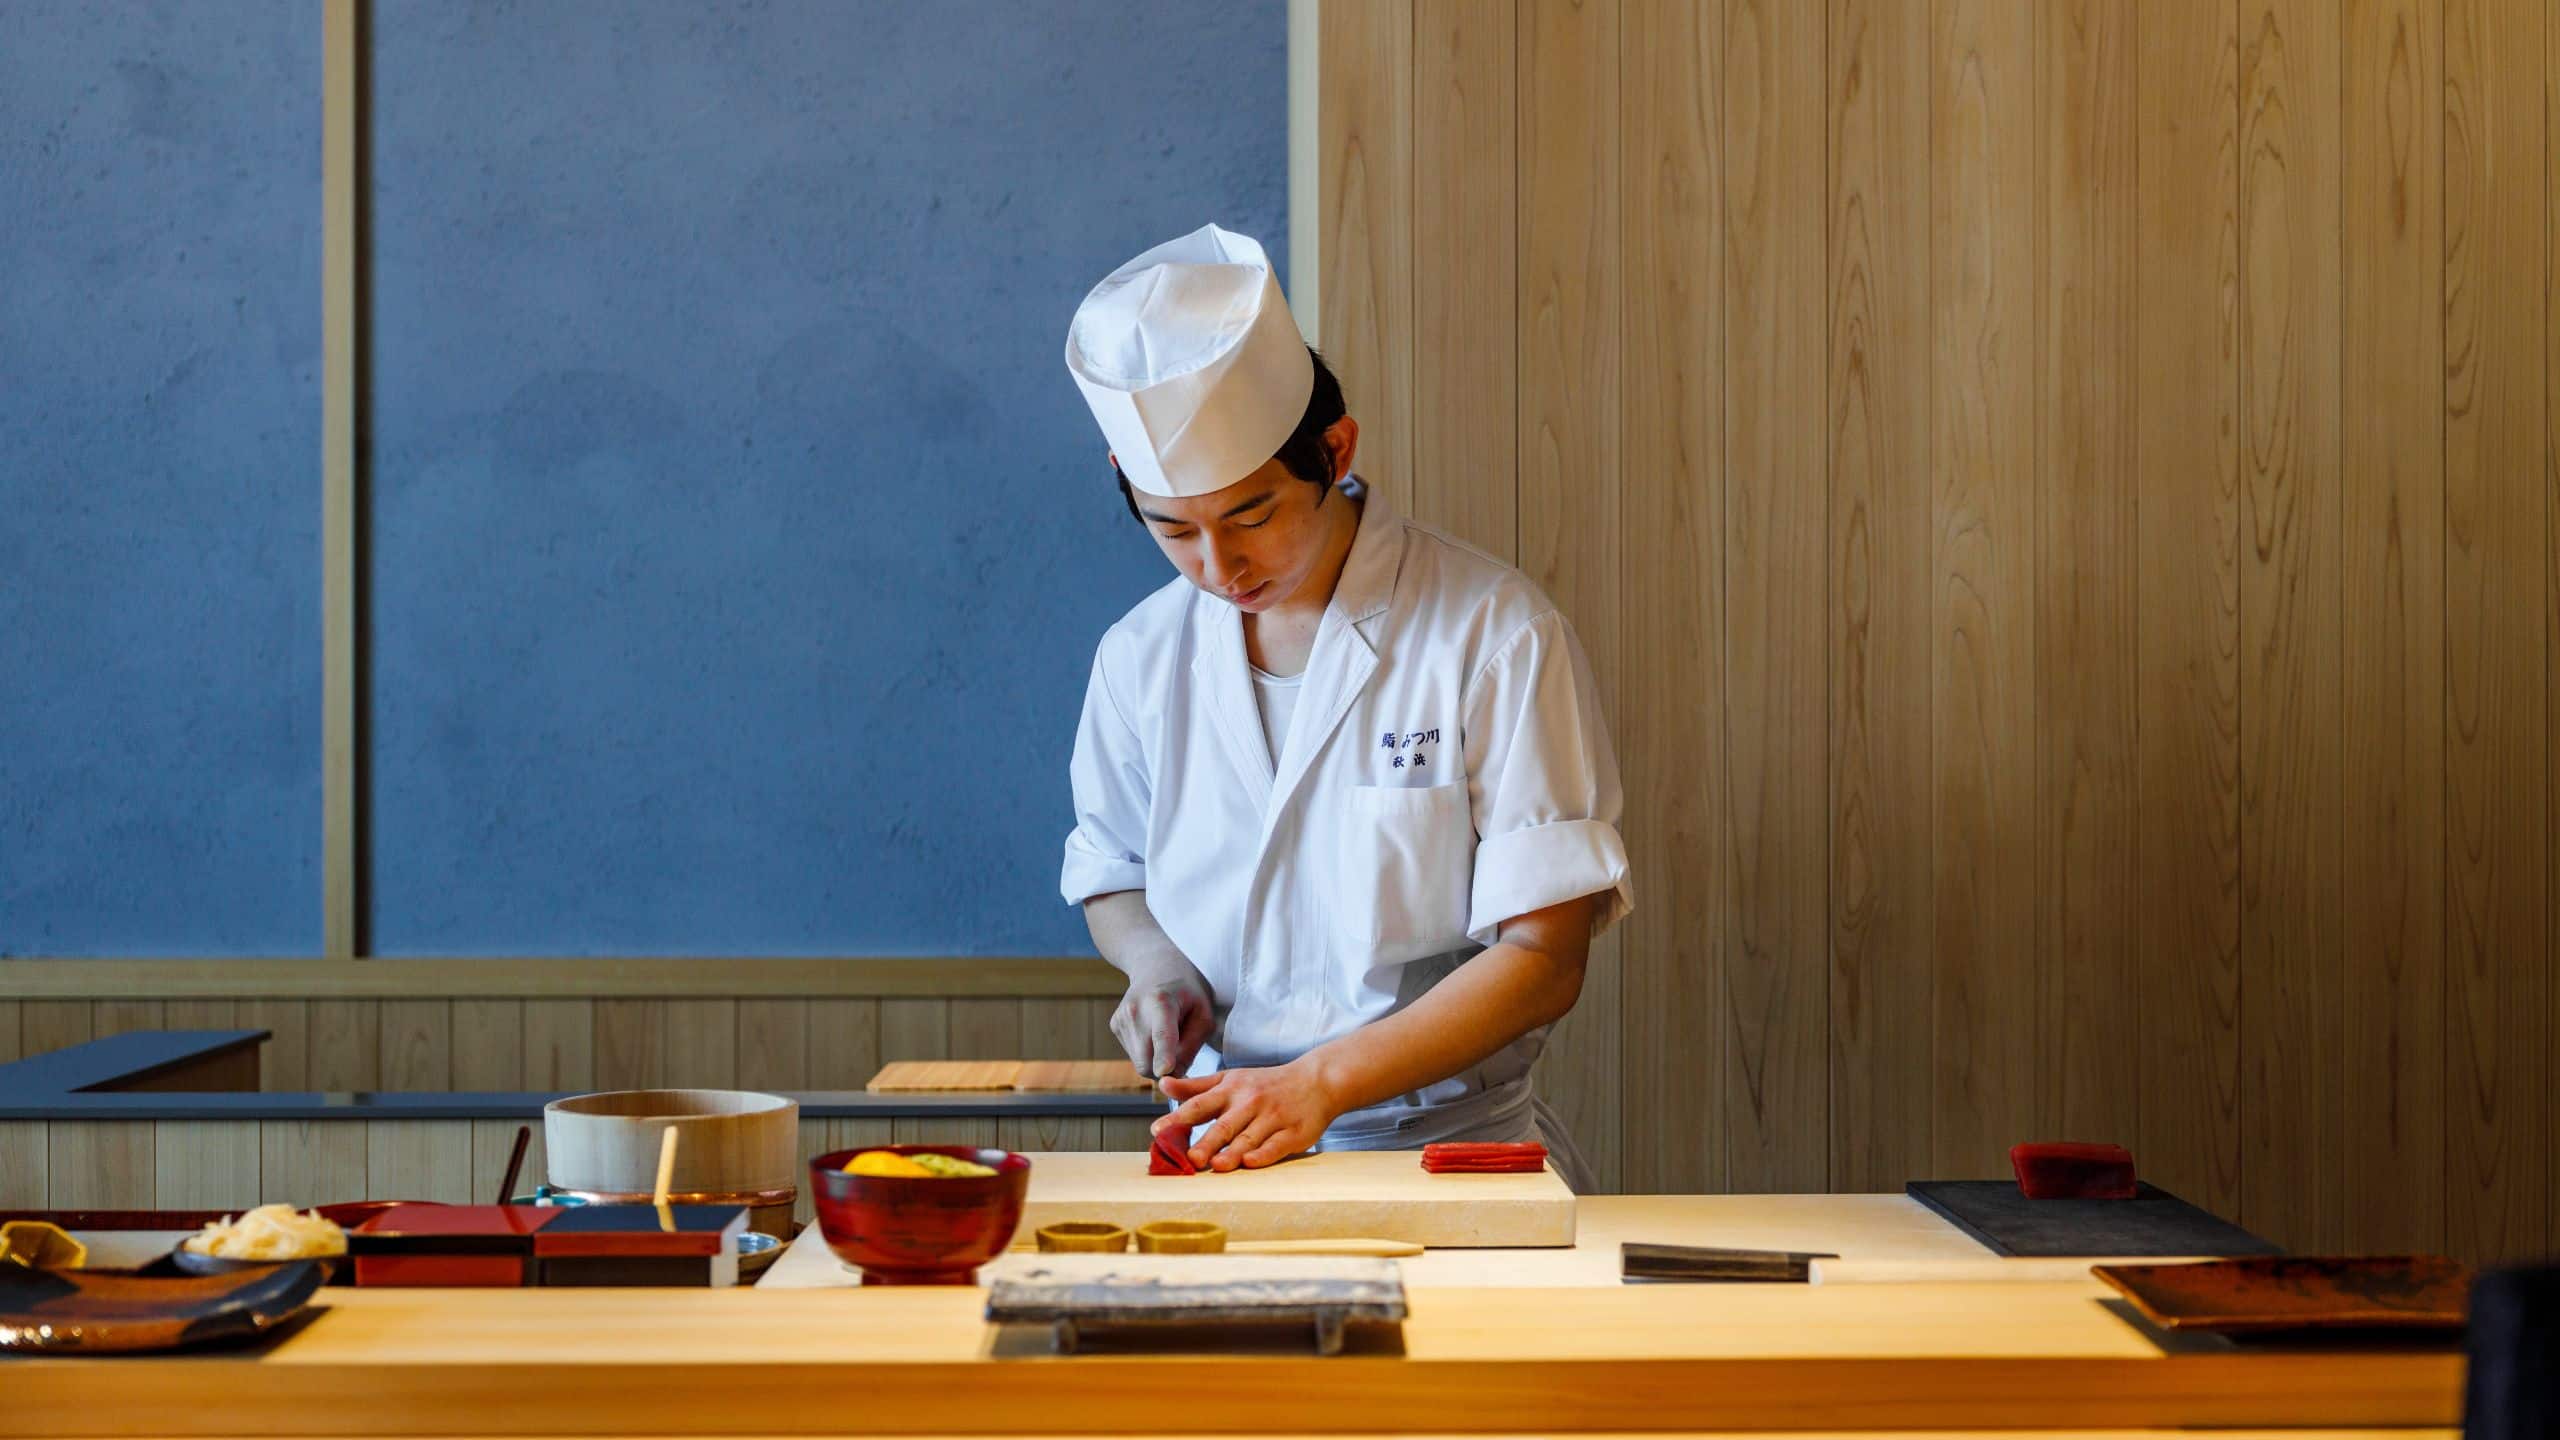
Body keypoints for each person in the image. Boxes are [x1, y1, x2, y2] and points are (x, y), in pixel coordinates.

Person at [1059, 223, 1630, 1192]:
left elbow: (1544, 954)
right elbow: (1114, 869)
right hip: (1226, 1154)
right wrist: (1158, 968)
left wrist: (1321, 1084)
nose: (1220, 566)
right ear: (1127, 487)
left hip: (1447, 1157)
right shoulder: (1139, 657)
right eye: (1174, 532)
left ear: (1333, 449)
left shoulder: (1489, 633)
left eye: (1252, 515)